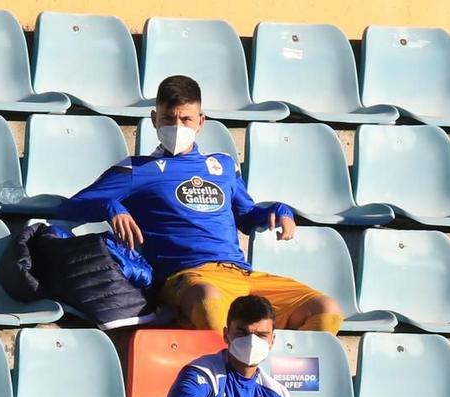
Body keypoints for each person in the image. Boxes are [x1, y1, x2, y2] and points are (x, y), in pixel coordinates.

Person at [57, 75, 342, 337]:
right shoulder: (136, 169)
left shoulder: (223, 166)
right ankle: (225, 380)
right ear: (154, 119)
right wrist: (111, 206)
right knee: (208, 301)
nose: (177, 126)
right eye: (169, 118)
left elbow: (247, 216)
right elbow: (71, 208)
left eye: (186, 119)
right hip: (187, 277)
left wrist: (279, 210)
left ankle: (272, 380)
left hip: (241, 274)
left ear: (201, 122)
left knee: (325, 309)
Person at [160, 294, 296, 397]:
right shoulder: (202, 373)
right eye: (242, 333)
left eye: (261, 335)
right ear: (226, 334)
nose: (251, 342)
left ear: (272, 340)